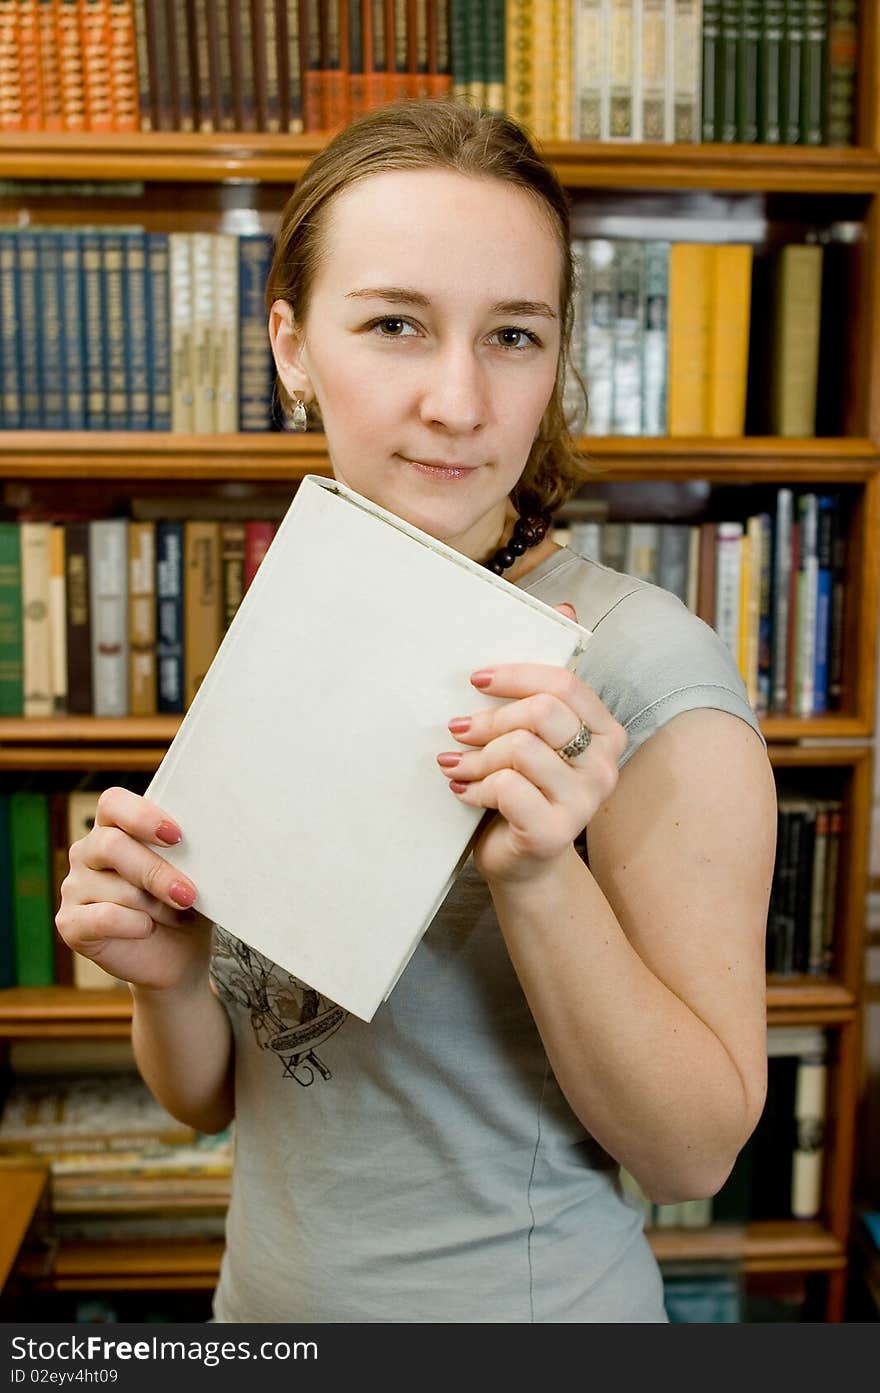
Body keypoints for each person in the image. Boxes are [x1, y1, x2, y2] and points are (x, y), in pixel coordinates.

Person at [56, 99, 777, 1323]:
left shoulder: (646, 668)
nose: (458, 399)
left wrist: (543, 877)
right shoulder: (294, 617)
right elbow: (223, 1098)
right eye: (395, 324)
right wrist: (165, 979)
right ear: (289, 346)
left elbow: (692, 1156)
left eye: (511, 335)